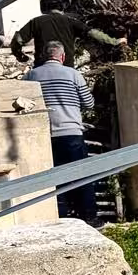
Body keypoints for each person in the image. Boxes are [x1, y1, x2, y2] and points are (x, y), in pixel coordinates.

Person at [26, 41, 97, 223]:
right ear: (63, 57)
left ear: (44, 56)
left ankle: (61, 216)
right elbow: (89, 103)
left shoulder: (32, 76)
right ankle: (88, 217)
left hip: (45, 135)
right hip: (71, 132)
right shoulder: (73, 75)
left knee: (54, 178)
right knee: (82, 175)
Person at [10, 10, 125, 68]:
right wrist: (114, 41)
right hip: (66, 66)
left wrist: (20, 55)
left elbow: (18, 39)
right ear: (62, 11)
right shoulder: (70, 21)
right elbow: (93, 33)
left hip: (42, 65)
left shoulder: (37, 21)